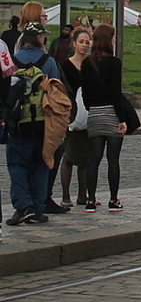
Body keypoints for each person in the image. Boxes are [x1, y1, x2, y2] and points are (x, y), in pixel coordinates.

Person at [5, 22, 62, 226]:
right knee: (41, 163)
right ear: (39, 39)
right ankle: (37, 209)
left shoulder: (12, 61)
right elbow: (58, 92)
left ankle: (23, 206)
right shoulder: (49, 62)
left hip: (18, 122)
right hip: (43, 122)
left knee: (17, 164)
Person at [81, 24, 127, 213]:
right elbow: (116, 93)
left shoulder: (86, 63)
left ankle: (90, 199)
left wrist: (91, 109)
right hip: (111, 112)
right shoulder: (114, 63)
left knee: (94, 158)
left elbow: (84, 93)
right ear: (108, 39)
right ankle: (113, 199)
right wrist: (122, 118)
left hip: (94, 113)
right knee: (113, 159)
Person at [59, 28, 92, 208]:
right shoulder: (65, 66)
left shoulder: (90, 65)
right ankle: (65, 196)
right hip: (70, 115)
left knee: (85, 157)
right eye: (81, 41)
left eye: (87, 42)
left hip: (87, 115)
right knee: (69, 155)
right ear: (74, 43)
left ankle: (82, 195)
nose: (84, 45)